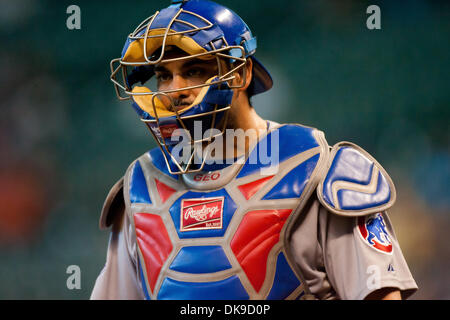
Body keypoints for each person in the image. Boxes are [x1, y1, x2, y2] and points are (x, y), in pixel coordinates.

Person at [91, 0, 418, 300]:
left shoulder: (320, 171)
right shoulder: (141, 187)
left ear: (242, 74)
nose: (175, 91)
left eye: (193, 71)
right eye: (163, 76)